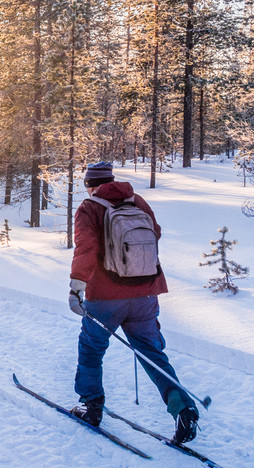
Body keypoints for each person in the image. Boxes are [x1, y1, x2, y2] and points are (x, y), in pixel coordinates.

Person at [67, 161, 200, 444]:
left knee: (91, 350)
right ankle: (183, 408)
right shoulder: (137, 201)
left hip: (105, 297)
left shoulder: (90, 207)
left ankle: (91, 407)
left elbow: (86, 248)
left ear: (90, 185)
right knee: (152, 353)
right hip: (145, 293)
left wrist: (77, 285)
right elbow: (156, 233)